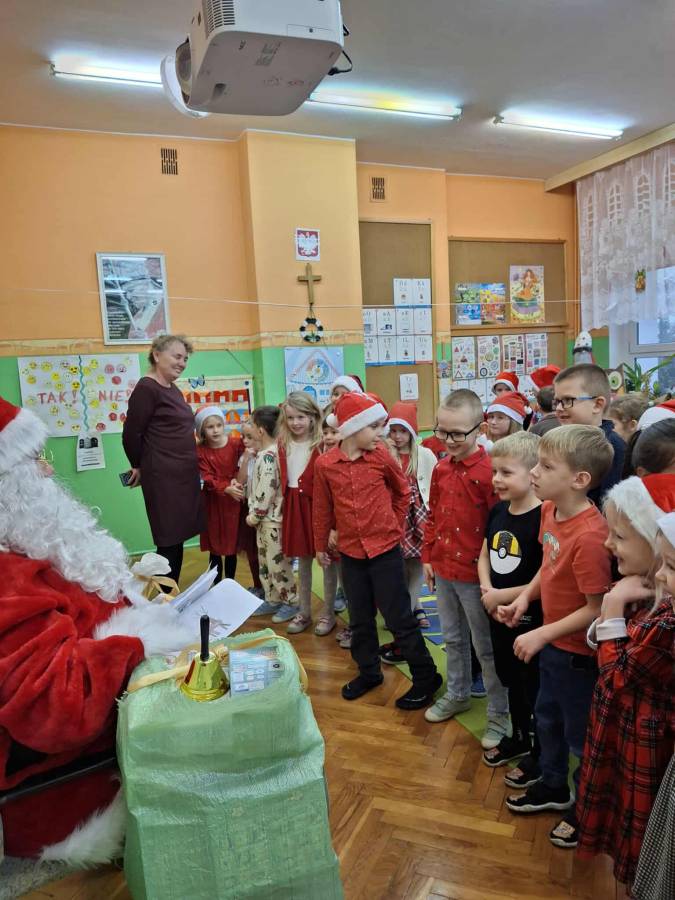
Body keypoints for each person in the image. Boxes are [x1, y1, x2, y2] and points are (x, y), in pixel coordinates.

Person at [0, 394, 191, 862]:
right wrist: (138, 638)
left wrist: (135, 601)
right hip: (76, 791)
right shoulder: (6, 576)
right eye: (34, 460)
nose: (48, 470)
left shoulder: (25, 546)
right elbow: (56, 707)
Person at [498, 426, 614, 847]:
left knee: (580, 736)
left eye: (545, 467)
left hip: (576, 656)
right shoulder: (550, 510)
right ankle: (552, 784)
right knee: (545, 717)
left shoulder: (590, 536)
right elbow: (547, 569)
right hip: (552, 648)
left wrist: (542, 634)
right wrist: (525, 598)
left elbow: (596, 608)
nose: (534, 473)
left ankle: (586, 810)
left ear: (579, 479)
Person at [313, 392, 441, 709]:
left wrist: (393, 524)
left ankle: (426, 677)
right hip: (351, 555)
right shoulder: (325, 464)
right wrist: (320, 544)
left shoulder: (381, 456)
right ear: (352, 428)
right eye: (374, 427)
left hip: (385, 552)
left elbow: (402, 492)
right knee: (359, 618)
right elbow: (322, 508)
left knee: (400, 618)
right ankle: (369, 672)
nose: (381, 433)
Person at [575, 475, 675, 883]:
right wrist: (613, 611)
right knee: (619, 808)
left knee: (640, 822)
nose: (607, 543)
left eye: (619, 536)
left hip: (644, 735)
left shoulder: (666, 618)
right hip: (623, 725)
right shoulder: (641, 589)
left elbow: (616, 674)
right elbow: (603, 643)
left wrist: (612, 604)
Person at [421, 389, 509, 750]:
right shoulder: (441, 468)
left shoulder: (490, 473)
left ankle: (499, 714)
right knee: (453, 638)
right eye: (442, 431)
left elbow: (499, 526)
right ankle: (457, 693)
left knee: (485, 647)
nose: (448, 440)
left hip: (477, 577)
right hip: (444, 569)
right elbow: (433, 515)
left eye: (457, 433)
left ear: (480, 429)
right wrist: (428, 556)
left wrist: (492, 578)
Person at [478, 432, 543, 770]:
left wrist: (500, 596)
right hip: (497, 614)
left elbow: (546, 576)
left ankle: (541, 750)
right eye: (495, 471)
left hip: (529, 619)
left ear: (533, 474)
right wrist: (488, 591)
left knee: (533, 685)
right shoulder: (498, 511)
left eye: (506, 472)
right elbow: (484, 555)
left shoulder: (544, 516)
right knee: (511, 680)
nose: (496, 479)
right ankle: (519, 736)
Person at [122, 334, 203, 585]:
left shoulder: (172, 388)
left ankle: (169, 594)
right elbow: (131, 433)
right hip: (164, 478)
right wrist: (138, 465)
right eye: (177, 356)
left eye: (185, 359)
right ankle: (163, 598)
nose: (182, 363)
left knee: (176, 539)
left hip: (182, 476)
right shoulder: (147, 388)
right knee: (168, 539)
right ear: (157, 355)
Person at [379, 402, 437, 664]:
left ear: (412, 432)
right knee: (397, 566)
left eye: (403, 431)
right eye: (393, 431)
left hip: (418, 516)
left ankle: (409, 610)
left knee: (417, 564)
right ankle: (406, 610)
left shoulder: (424, 455)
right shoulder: (385, 454)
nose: (398, 436)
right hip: (396, 517)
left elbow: (433, 485)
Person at [246, 406, 298, 621]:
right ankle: (273, 598)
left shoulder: (269, 456)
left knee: (278, 564)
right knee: (266, 562)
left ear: (260, 430)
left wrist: (255, 515)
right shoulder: (265, 453)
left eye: (251, 424)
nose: (249, 428)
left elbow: (266, 490)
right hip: (265, 521)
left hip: (271, 521)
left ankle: (291, 601)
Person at [277, 392, 323, 635]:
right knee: (303, 561)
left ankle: (328, 613)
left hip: (318, 506)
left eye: (301, 417)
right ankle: (304, 612)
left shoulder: (322, 444)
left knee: (327, 561)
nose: (295, 423)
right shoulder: (283, 444)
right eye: (291, 417)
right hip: (295, 504)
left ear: (313, 417)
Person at [552, 363, 626, 506]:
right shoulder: (562, 442)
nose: (559, 408)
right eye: (557, 402)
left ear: (597, 404)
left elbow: (608, 505)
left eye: (568, 400)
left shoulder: (612, 447)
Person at [194, 406, 244, 583]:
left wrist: (236, 481)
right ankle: (215, 585)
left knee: (231, 546)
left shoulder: (236, 444)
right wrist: (225, 488)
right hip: (213, 503)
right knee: (214, 547)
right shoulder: (200, 450)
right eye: (210, 427)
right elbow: (206, 476)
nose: (215, 430)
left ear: (224, 425)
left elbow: (243, 465)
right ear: (202, 430)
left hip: (233, 502)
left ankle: (229, 583)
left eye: (218, 425)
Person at [235, 418, 264, 599]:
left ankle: (271, 588)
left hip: (265, 508)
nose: (245, 441)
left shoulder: (269, 455)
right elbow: (240, 481)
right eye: (243, 437)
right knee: (252, 551)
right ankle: (258, 586)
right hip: (248, 507)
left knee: (265, 551)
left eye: (249, 437)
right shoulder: (245, 456)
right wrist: (246, 459)